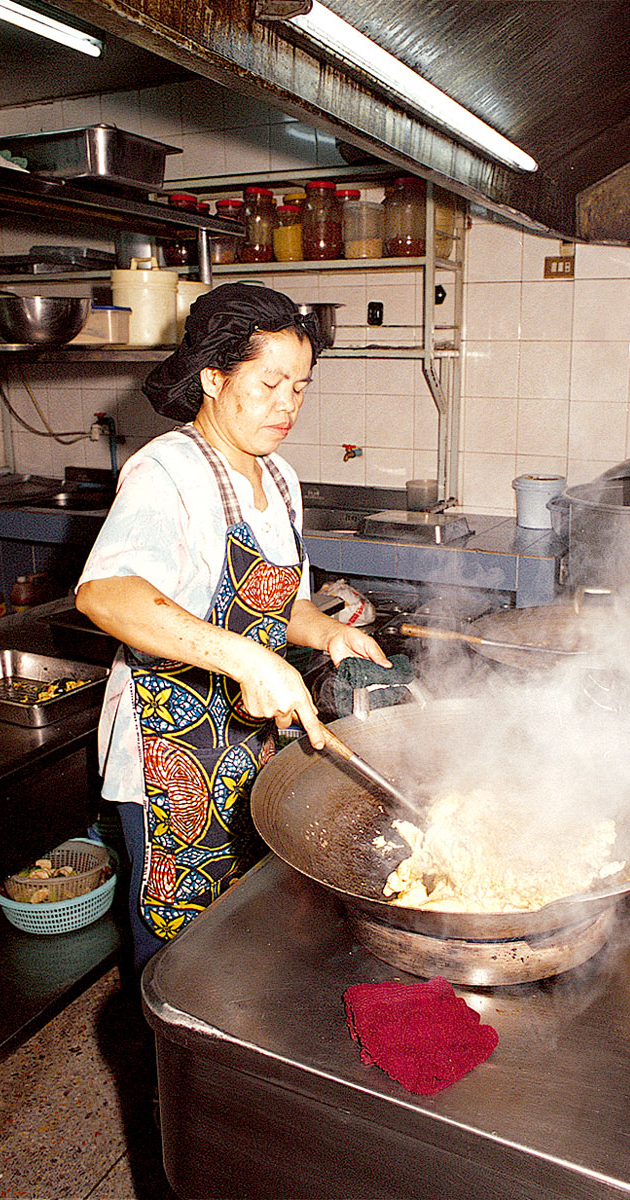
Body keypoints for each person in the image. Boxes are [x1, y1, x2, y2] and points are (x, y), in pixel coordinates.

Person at [76, 283, 390, 970]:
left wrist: (326, 633)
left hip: (250, 749)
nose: (287, 405)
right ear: (214, 377)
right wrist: (248, 662)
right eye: (270, 382)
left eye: (300, 388)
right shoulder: (168, 471)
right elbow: (106, 595)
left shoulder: (279, 478)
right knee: (178, 944)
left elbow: (285, 604)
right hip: (170, 761)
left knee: (244, 926)